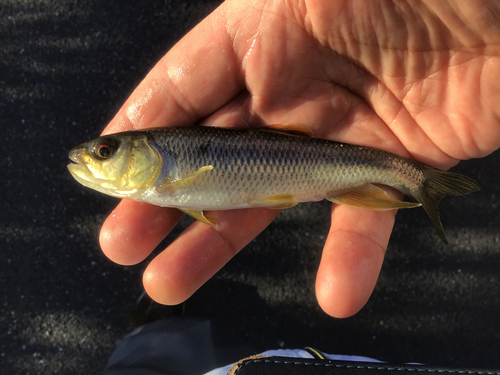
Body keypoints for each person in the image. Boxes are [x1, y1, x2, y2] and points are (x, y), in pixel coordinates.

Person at [98, 0, 500, 319]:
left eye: (105, 151)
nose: (96, 156)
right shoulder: (165, 176)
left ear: (144, 151)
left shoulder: (166, 174)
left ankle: (418, 181)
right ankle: (416, 182)